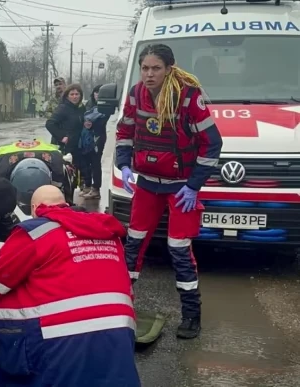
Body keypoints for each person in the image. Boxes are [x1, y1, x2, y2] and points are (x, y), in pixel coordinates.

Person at [0, 185, 140, 387]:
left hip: (57, 342)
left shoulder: (34, 232)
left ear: (35, 208)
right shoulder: (108, 234)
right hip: (119, 333)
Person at [116, 43, 223, 339]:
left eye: (156, 68)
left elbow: (212, 143)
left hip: (181, 189)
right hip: (148, 185)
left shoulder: (188, 97)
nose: (149, 74)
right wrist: (124, 165)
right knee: (133, 245)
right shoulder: (136, 94)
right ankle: (120, 306)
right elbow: (124, 133)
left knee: (178, 250)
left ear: (169, 68)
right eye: (145, 68)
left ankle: (191, 314)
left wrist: (193, 185)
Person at [0, 139, 75, 211]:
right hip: (47, 156)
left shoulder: (5, 159)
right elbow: (63, 177)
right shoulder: (53, 156)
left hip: (10, 159)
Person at [79, 84, 113, 199]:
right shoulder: (89, 105)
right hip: (85, 138)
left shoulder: (106, 107)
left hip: (98, 138)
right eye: (96, 92)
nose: (98, 95)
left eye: (100, 93)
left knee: (95, 163)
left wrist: (91, 124)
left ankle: (96, 188)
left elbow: (101, 122)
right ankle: (87, 186)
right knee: (85, 162)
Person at [45, 83, 89, 168]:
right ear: (67, 96)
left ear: (80, 95)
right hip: (65, 147)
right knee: (66, 173)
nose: (74, 97)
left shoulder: (81, 108)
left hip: (77, 146)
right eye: (72, 94)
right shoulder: (63, 108)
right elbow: (49, 124)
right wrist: (62, 136)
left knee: (79, 171)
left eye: (77, 94)